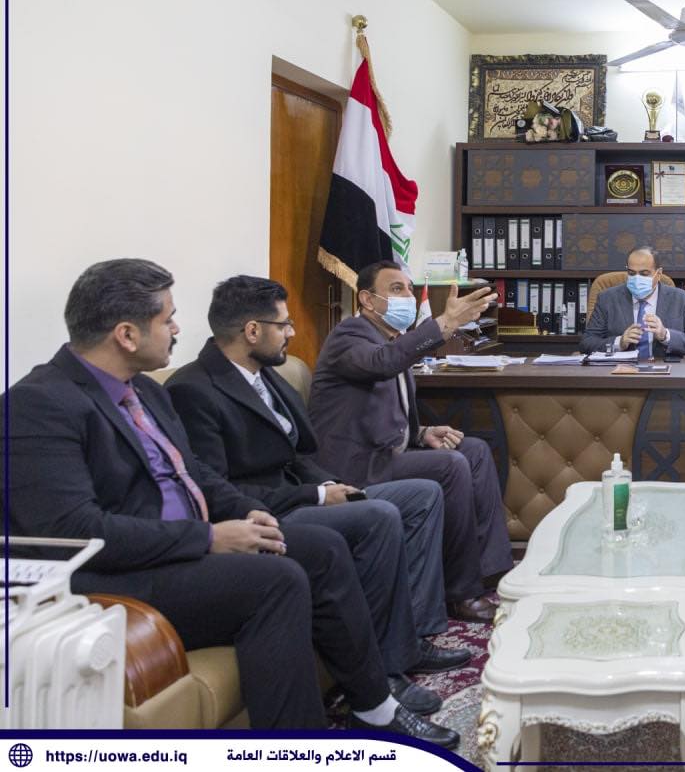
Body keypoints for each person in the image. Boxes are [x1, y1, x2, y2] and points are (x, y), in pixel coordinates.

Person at [3, 259, 458, 745]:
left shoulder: (146, 393)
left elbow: (195, 473)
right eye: (168, 319)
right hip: (119, 573)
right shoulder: (38, 404)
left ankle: (375, 707)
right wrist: (207, 538)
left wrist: (245, 511)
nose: (178, 329)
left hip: (179, 550)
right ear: (127, 335)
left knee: (320, 549)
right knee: (276, 580)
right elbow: (75, 531)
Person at [165, 275, 471, 704]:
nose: (291, 333)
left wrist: (327, 483)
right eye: (283, 325)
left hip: (306, 491)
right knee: (378, 515)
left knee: (421, 495)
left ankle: (412, 635)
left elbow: (297, 454)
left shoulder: (264, 374)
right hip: (267, 511)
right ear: (252, 331)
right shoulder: (193, 390)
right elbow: (218, 488)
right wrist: (318, 495)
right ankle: (385, 671)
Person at [308, 260, 512, 623]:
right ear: (367, 300)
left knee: (475, 451)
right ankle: (461, 593)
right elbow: (381, 364)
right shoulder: (349, 335)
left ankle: (490, 573)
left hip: (389, 451)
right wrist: (445, 323)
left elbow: (384, 404)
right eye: (396, 289)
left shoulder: (391, 339)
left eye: (408, 288)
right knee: (451, 466)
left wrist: (421, 432)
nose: (407, 296)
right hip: (358, 465)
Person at [579, 246, 685, 358]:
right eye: (631, 273)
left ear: (658, 274)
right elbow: (587, 343)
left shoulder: (682, 300)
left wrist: (665, 335)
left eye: (644, 274)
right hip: (620, 372)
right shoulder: (607, 299)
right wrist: (619, 342)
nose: (637, 279)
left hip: (664, 373)